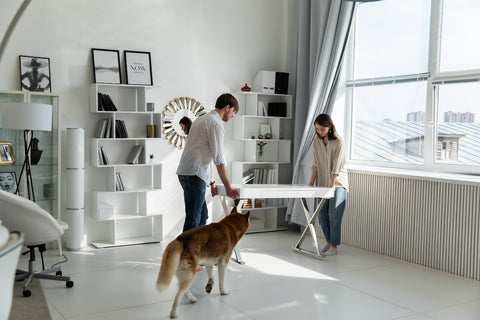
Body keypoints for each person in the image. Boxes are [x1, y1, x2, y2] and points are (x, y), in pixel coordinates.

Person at [176, 93, 239, 233]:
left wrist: (211, 182)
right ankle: (185, 254)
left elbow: (203, 152)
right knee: (193, 220)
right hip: (194, 174)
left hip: (187, 172)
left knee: (202, 217)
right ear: (227, 107)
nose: (233, 115)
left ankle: (197, 253)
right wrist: (228, 187)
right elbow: (218, 158)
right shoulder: (215, 123)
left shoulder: (202, 119)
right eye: (234, 111)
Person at [308, 114, 348, 256]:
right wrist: (311, 184)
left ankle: (334, 246)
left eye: (322, 129)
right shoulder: (316, 142)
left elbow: (336, 167)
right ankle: (329, 242)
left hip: (338, 184)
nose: (319, 132)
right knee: (322, 216)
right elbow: (315, 164)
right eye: (317, 129)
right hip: (323, 184)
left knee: (334, 214)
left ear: (329, 127)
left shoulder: (339, 142)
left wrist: (331, 186)